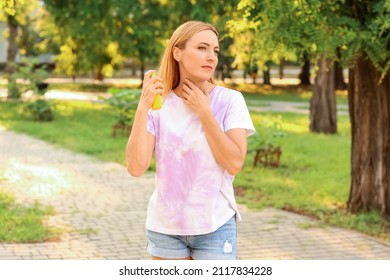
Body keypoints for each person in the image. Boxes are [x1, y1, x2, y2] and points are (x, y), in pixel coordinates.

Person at [126, 20, 255, 260]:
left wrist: (204, 112)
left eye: (215, 50)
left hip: (215, 227)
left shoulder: (230, 101)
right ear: (177, 52)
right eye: (202, 48)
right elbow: (135, 167)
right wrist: (142, 109)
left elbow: (234, 163)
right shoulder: (158, 104)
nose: (211, 57)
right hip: (165, 229)